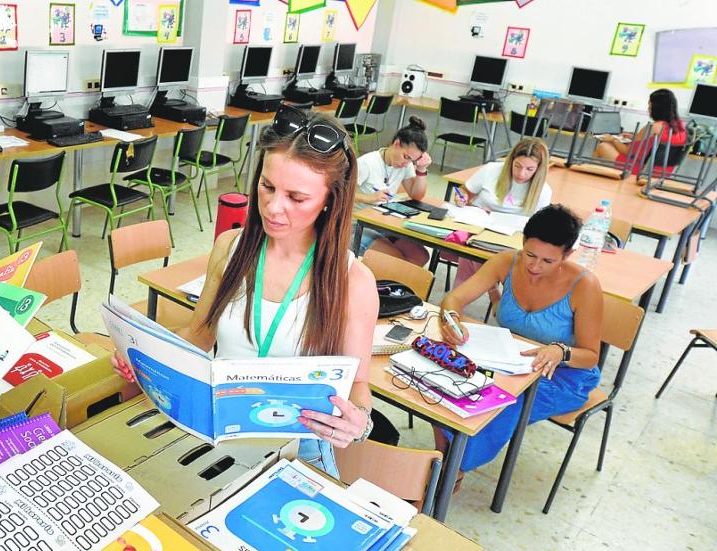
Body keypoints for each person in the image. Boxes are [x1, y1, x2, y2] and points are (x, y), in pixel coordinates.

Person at [113, 105, 379, 477]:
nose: (273, 207)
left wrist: (359, 423)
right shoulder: (230, 248)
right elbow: (198, 335)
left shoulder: (353, 282)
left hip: (296, 448)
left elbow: (359, 384)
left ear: (329, 201)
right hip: (216, 434)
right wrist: (144, 355)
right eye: (267, 186)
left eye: (296, 198)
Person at [435, 204, 603, 471]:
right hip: (508, 360)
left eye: (548, 261)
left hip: (562, 375)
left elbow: (591, 356)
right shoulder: (506, 262)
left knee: (500, 402)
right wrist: (451, 319)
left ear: (568, 254)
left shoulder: (584, 285)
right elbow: (454, 298)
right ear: (523, 242)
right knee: (446, 380)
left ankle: (452, 471)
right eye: (530, 254)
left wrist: (561, 351)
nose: (535, 266)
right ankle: (443, 461)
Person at [450, 138, 553, 287]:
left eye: (529, 169)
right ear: (511, 160)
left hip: (511, 240)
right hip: (478, 228)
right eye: (517, 166)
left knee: (490, 257)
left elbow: (540, 227)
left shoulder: (543, 190)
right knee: (472, 250)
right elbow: (466, 190)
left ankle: (478, 295)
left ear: (539, 168)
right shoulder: (491, 170)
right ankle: (483, 295)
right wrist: (463, 197)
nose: (521, 174)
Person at [355, 117, 434, 267]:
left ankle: (393, 285)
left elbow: (416, 195)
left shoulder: (405, 165)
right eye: (406, 157)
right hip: (356, 225)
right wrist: (368, 198)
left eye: (412, 160)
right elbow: (337, 194)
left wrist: (421, 170)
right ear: (396, 144)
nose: (406, 163)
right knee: (397, 262)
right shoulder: (367, 163)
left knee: (420, 256)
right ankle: (383, 284)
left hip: (383, 224)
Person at [593, 88, 688, 176]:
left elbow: (628, 152)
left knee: (603, 146)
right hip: (664, 172)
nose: (648, 109)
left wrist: (613, 139)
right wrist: (635, 137)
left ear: (656, 108)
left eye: (649, 106)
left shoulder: (653, 127)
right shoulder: (681, 126)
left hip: (641, 169)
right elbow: (654, 144)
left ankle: (590, 174)